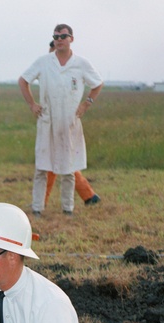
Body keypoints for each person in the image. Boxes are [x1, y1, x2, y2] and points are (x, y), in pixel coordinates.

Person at [18, 24, 103, 215]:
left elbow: (97, 84)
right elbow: (23, 80)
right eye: (56, 37)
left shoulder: (81, 63)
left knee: (69, 169)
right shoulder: (43, 62)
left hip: (69, 122)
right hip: (47, 121)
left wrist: (86, 104)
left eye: (63, 36)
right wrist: (32, 104)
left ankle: (68, 210)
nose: (59, 40)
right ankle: (37, 209)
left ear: (71, 38)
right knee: (42, 167)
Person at [43, 39, 101, 207]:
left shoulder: (71, 70)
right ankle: (89, 196)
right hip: (54, 122)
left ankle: (41, 202)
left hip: (64, 123)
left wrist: (85, 104)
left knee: (52, 163)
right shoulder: (50, 68)